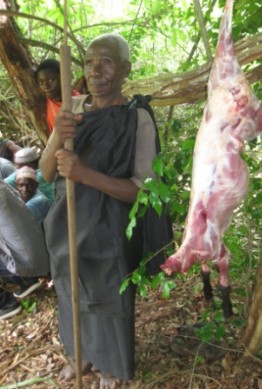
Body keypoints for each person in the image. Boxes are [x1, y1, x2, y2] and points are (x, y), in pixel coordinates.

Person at [40, 33, 165, 388]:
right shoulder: (74, 110)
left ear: (125, 69)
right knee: (69, 291)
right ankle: (81, 356)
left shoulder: (136, 118)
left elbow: (143, 191)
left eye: (106, 62)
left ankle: (110, 367)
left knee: (108, 297)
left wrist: (84, 173)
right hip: (67, 223)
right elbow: (48, 171)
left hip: (111, 229)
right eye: (90, 62)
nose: (95, 70)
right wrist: (59, 137)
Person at [0, 167, 50, 319]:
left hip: (33, 264)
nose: (24, 189)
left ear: (36, 184)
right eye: (20, 185)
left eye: (29, 185)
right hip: (33, 259)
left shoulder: (40, 201)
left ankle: (5, 303)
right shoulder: (5, 187)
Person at [35, 59, 80, 135]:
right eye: (41, 82)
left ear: (63, 78)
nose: (46, 86)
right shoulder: (44, 102)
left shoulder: (79, 101)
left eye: (50, 80)